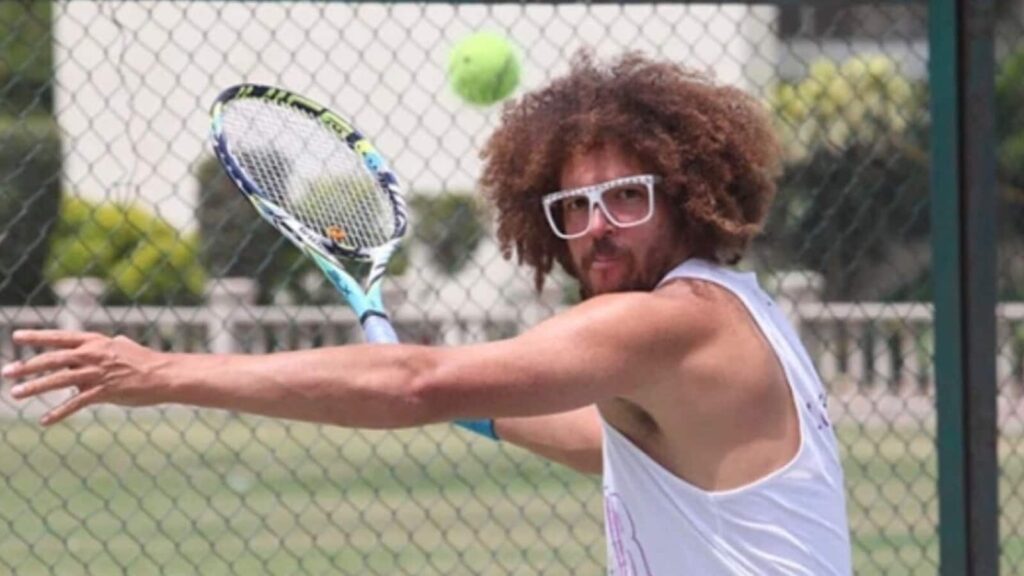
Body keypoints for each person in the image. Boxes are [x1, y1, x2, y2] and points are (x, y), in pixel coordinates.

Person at [3, 51, 851, 574]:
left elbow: (413, 385)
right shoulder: (731, 317)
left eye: (626, 197)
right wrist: (472, 406)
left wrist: (160, 373)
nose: (597, 228)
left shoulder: (671, 321)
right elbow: (618, 446)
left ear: (692, 195)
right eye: (574, 206)